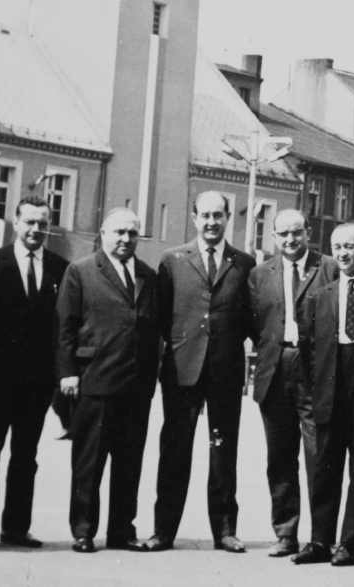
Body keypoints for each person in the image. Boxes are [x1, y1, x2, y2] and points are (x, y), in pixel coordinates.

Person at [146, 191, 255, 553]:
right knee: (175, 451)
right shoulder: (172, 260)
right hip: (182, 371)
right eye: (205, 216)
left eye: (218, 216)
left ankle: (225, 530)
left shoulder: (244, 263)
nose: (211, 223)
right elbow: (159, 319)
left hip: (225, 373)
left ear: (228, 218)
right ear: (194, 218)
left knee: (223, 453)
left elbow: (251, 320)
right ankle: (163, 531)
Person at [56, 207, 159, 554]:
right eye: (119, 232)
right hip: (95, 382)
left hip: (136, 386)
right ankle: (83, 530)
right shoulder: (81, 272)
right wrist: (68, 372)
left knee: (129, 464)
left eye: (132, 233)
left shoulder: (147, 275)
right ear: (102, 233)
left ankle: (121, 531)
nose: (126, 239)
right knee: (89, 463)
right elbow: (65, 328)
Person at [292, 222, 354, 566]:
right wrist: (315, 389)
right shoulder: (321, 296)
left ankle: (348, 543)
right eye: (337, 247)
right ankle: (319, 540)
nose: (343, 253)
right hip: (329, 386)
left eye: (350, 246)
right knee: (325, 465)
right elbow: (306, 349)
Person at [248, 209, 338, 557]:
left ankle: (320, 538)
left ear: (308, 232)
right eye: (283, 234)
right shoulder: (259, 274)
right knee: (280, 457)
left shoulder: (327, 267)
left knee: (319, 455)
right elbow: (255, 324)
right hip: (275, 369)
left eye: (297, 233)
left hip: (315, 371)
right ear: (273, 236)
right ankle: (285, 533)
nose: (290, 240)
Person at [0, 196, 68, 548]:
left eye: (43, 224)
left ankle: (15, 528)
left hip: (37, 384)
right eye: (30, 222)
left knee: (26, 457)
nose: (36, 230)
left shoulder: (61, 268)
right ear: (15, 221)